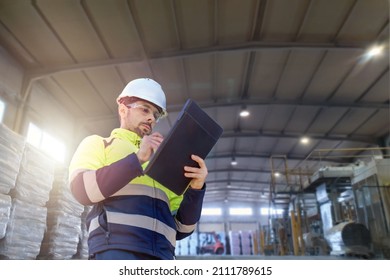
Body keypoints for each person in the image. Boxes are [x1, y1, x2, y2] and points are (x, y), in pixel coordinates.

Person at [68, 78, 207, 260]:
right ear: (123, 109)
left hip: (162, 256)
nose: (152, 118)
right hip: (116, 251)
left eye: (156, 115)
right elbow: (82, 190)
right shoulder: (99, 144)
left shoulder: (164, 163)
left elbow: (183, 229)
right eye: (144, 109)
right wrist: (137, 159)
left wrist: (196, 189)